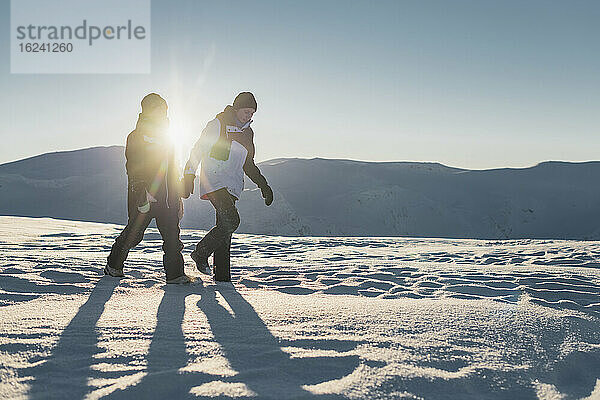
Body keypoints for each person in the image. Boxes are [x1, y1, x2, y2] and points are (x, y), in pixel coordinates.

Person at [182, 92, 273, 282]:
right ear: (237, 108)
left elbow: (248, 163)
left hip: (232, 184)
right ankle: (200, 253)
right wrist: (189, 174)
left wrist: (263, 184)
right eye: (246, 111)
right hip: (214, 181)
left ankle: (222, 277)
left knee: (225, 228)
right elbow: (198, 149)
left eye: (252, 113)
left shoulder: (248, 132)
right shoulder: (218, 124)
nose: (249, 116)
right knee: (231, 220)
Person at [105, 93, 190, 284]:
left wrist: (178, 196)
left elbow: (172, 168)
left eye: (164, 110)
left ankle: (175, 275)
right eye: (156, 109)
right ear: (146, 111)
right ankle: (113, 265)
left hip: (168, 198)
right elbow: (133, 165)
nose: (161, 113)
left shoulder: (170, 137)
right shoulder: (137, 136)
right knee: (134, 235)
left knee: (172, 238)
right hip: (145, 196)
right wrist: (141, 190)